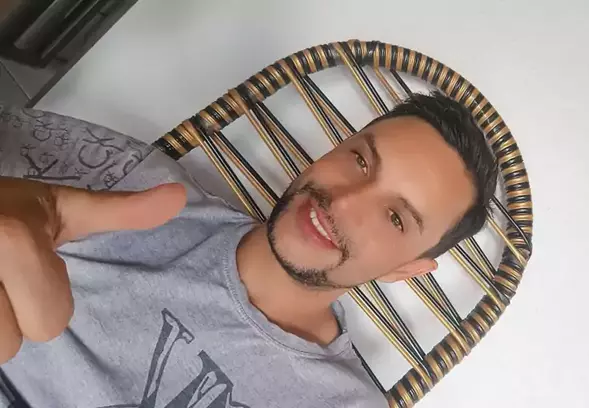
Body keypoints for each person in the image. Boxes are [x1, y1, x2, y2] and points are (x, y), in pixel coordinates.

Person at [0, 92, 497, 408]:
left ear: (406, 268)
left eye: (395, 217)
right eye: (360, 161)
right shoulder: (127, 184)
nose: (344, 202)